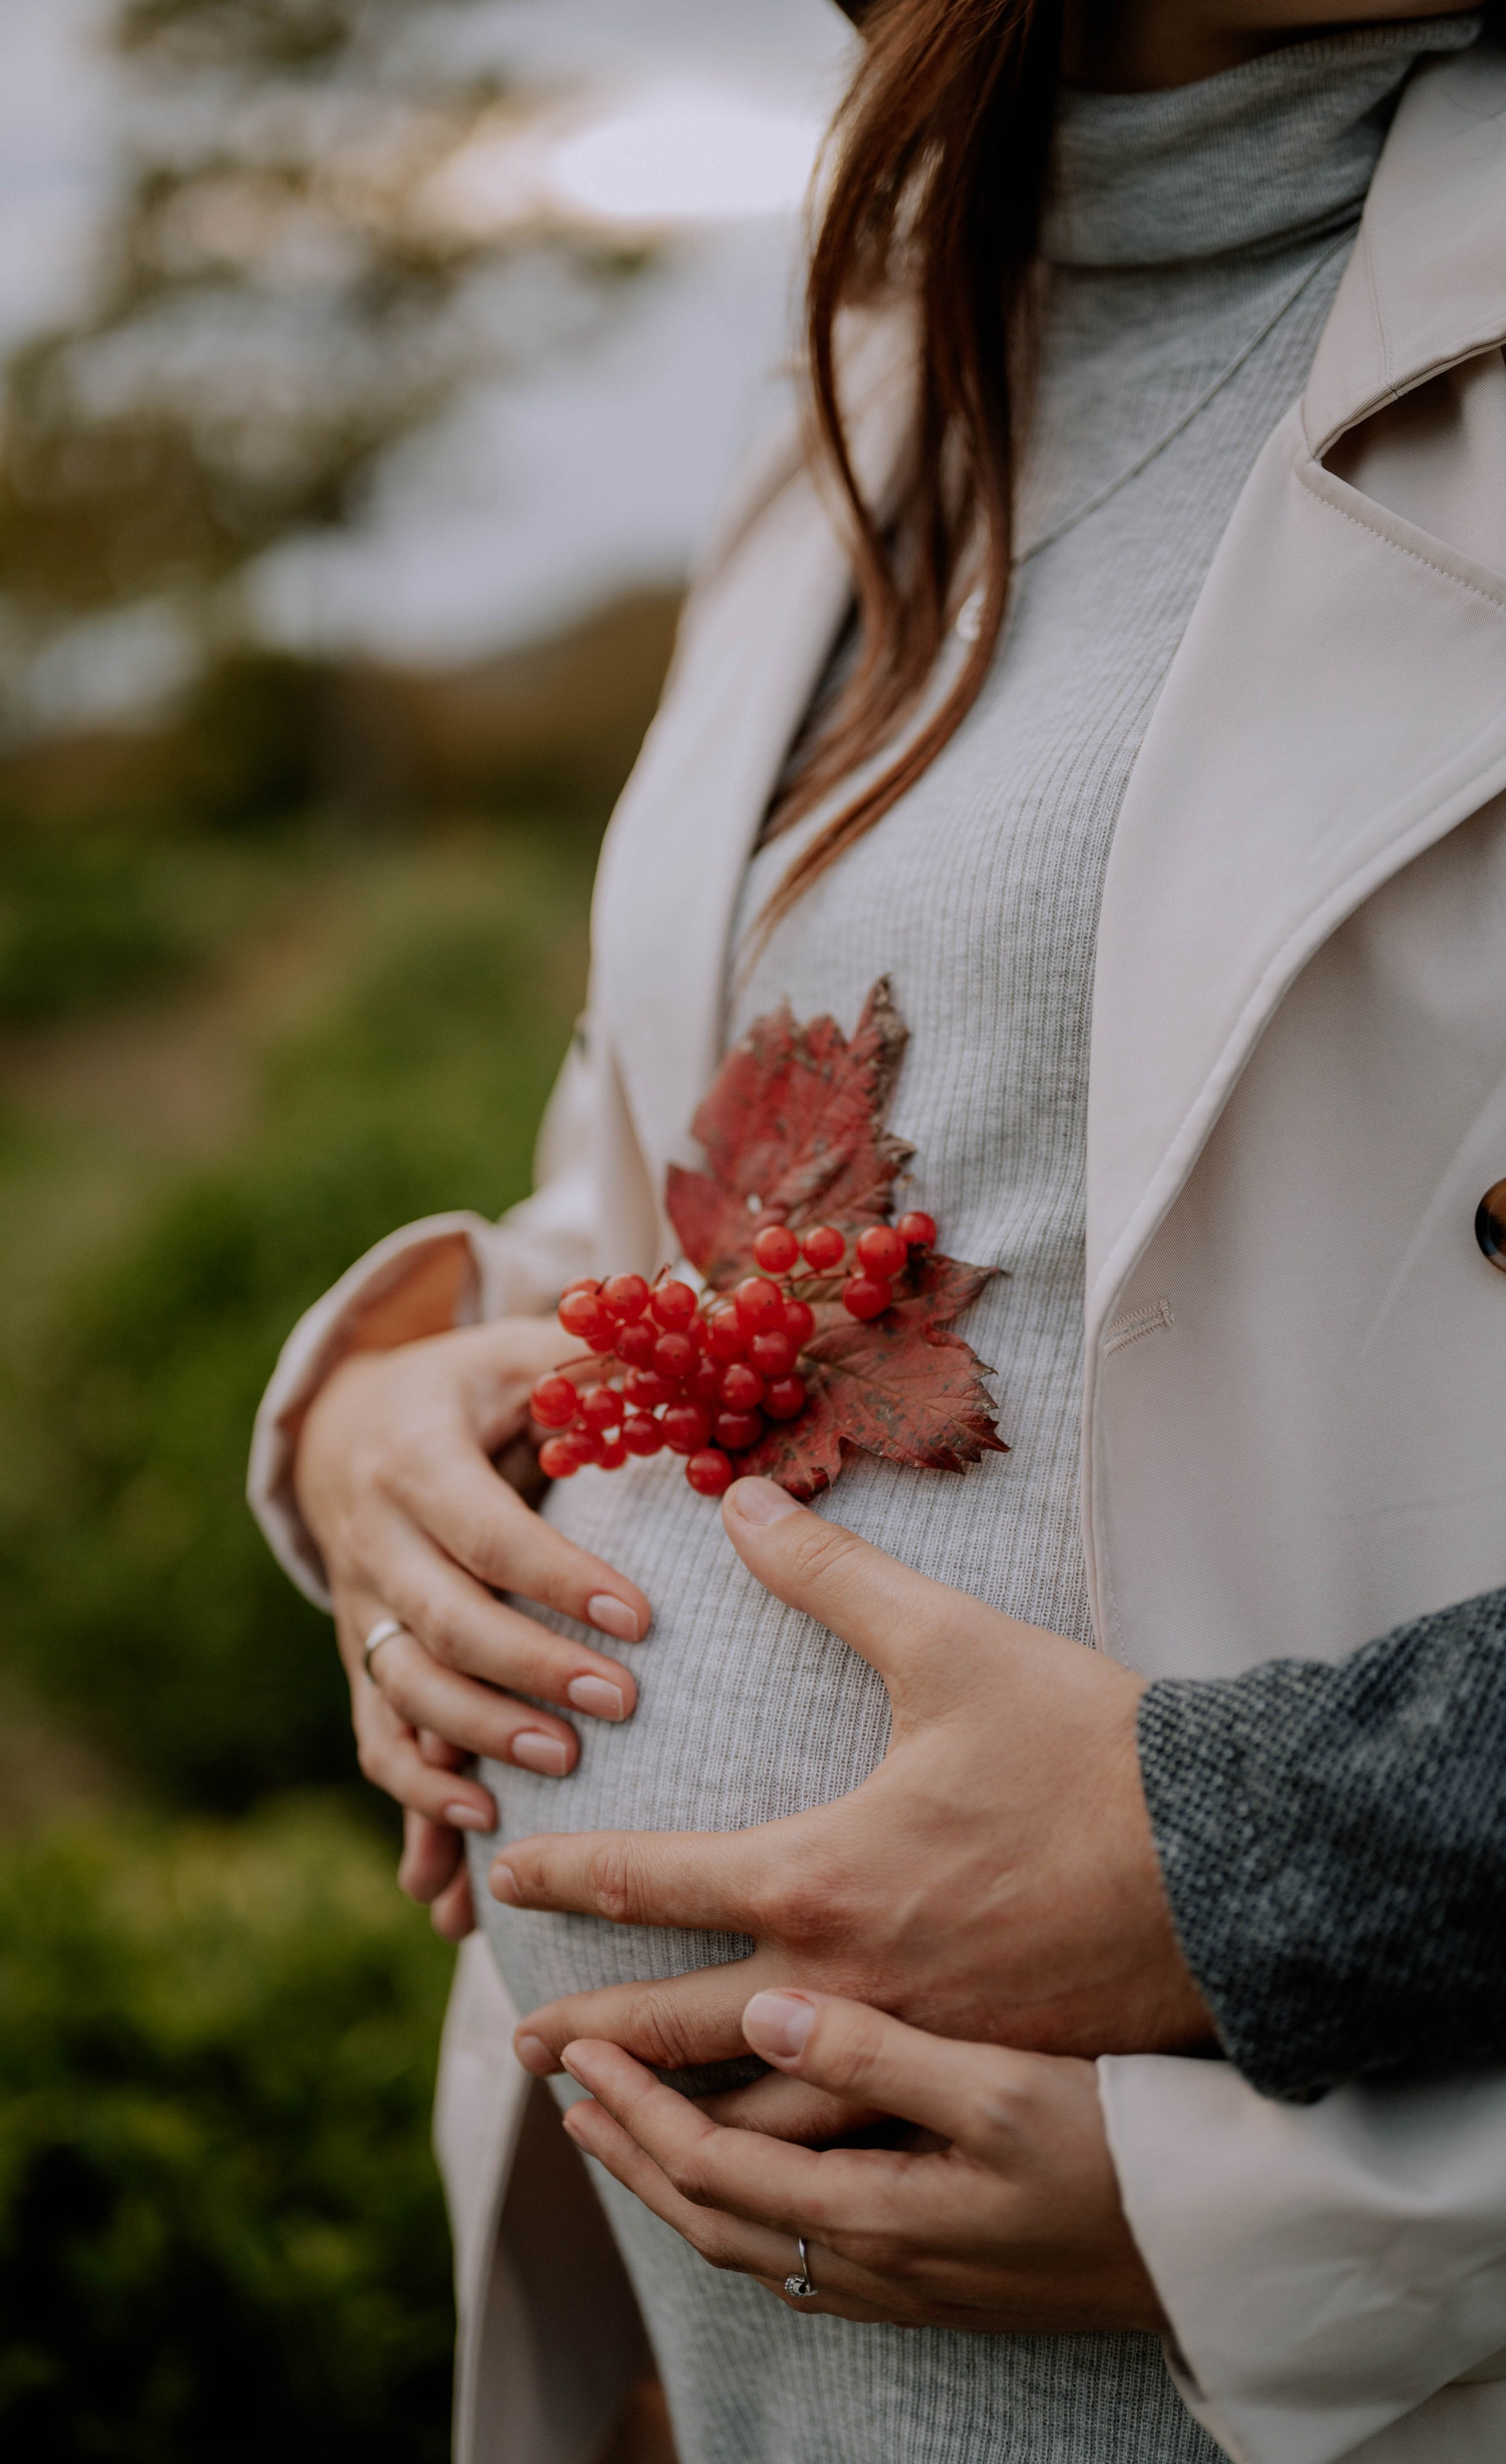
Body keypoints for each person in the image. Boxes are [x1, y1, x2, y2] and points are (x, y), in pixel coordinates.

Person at [249, 1, 1506, 2458]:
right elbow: (716, 1162)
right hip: (726, 2358)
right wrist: (397, 1407)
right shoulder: (885, 331)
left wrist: (1256, 1951)